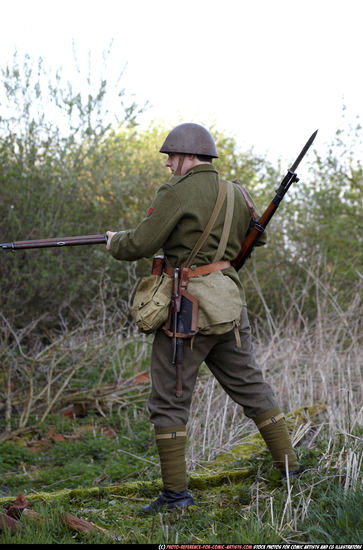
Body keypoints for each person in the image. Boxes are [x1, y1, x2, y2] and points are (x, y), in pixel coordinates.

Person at [106, 123, 300, 514]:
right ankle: (292, 470)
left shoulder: (176, 192)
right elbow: (256, 237)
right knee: (251, 385)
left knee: (169, 400)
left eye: (170, 156)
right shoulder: (237, 192)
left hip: (186, 309)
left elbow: (141, 242)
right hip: (229, 303)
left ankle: (176, 496)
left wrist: (115, 242)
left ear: (189, 156)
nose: (167, 164)